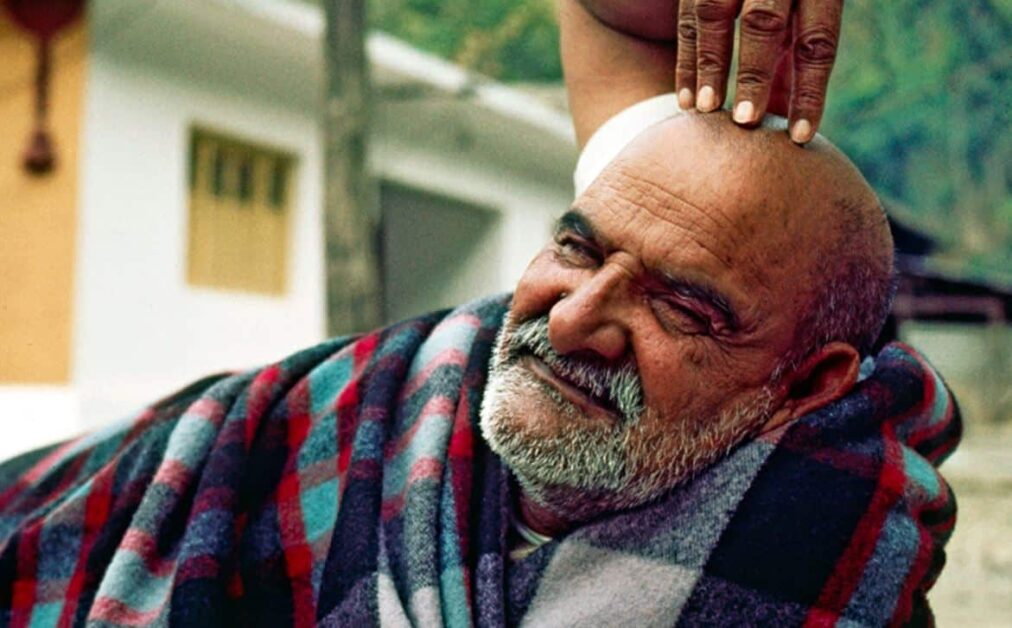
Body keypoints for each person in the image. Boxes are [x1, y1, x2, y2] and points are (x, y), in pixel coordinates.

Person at [0, 1, 959, 626]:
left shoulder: (825, 548)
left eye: (679, 307)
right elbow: (613, 14)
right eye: (576, 248)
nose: (575, 321)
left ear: (811, 381)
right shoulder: (653, 187)